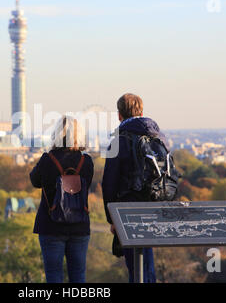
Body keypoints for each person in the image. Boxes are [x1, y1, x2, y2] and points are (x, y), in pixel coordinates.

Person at [102, 93, 167, 283]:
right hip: (155, 206)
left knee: (135, 267)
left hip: (128, 211)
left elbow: (109, 183)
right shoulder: (158, 137)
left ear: (119, 115)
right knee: (148, 265)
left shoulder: (119, 141)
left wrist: (112, 218)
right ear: (142, 111)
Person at [30, 116, 94, 283]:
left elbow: (34, 181)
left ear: (57, 134)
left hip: (51, 224)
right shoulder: (86, 161)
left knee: (53, 275)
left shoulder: (47, 159)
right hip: (79, 224)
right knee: (79, 275)